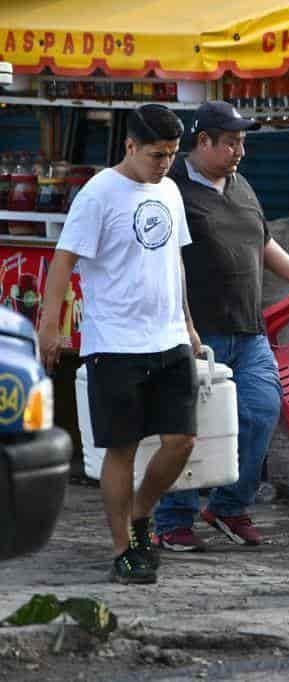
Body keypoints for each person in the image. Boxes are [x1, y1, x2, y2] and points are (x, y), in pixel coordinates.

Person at [37, 104, 201, 584]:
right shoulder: (98, 194)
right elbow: (63, 260)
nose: (165, 163)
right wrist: (51, 326)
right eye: (156, 154)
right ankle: (122, 548)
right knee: (122, 449)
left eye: (172, 154)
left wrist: (189, 324)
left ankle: (141, 514)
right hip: (114, 343)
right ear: (130, 146)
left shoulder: (170, 189)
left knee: (181, 441)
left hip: (169, 339)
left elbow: (176, 262)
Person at [153, 101, 289, 551]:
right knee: (189, 428)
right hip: (194, 334)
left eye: (242, 142)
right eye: (230, 143)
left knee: (261, 411)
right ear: (202, 141)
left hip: (249, 331)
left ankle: (228, 505)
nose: (239, 151)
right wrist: (180, 326)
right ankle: (172, 519)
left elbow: (264, 243)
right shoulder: (170, 190)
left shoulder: (242, 186)